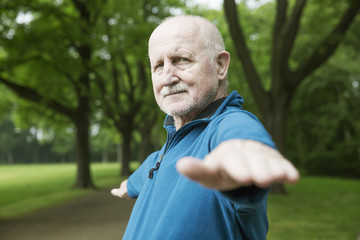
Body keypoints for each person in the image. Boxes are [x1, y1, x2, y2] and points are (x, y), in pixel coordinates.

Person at [111, 15, 299, 240]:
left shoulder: (227, 125)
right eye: (159, 66)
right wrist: (129, 185)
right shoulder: (166, 150)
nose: (168, 77)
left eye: (182, 59)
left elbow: (239, 137)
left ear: (220, 66)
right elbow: (152, 168)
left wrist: (245, 160)